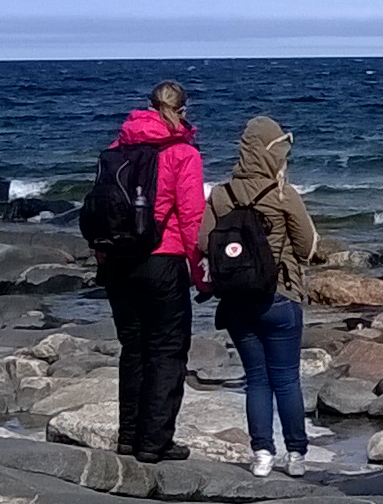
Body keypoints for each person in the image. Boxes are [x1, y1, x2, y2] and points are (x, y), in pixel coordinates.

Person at [202, 115, 319, 478]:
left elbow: (202, 242)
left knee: (256, 378)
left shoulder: (221, 195)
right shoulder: (283, 194)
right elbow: (307, 246)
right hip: (280, 295)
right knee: (286, 379)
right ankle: (296, 455)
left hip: (236, 301)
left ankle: (262, 453)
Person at [100, 81, 206, 464]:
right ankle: (154, 442)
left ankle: (128, 437)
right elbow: (192, 217)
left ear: (148, 106)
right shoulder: (182, 153)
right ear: (184, 110)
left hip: (118, 262)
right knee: (166, 351)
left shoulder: (118, 147)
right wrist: (200, 272)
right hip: (162, 260)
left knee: (133, 350)